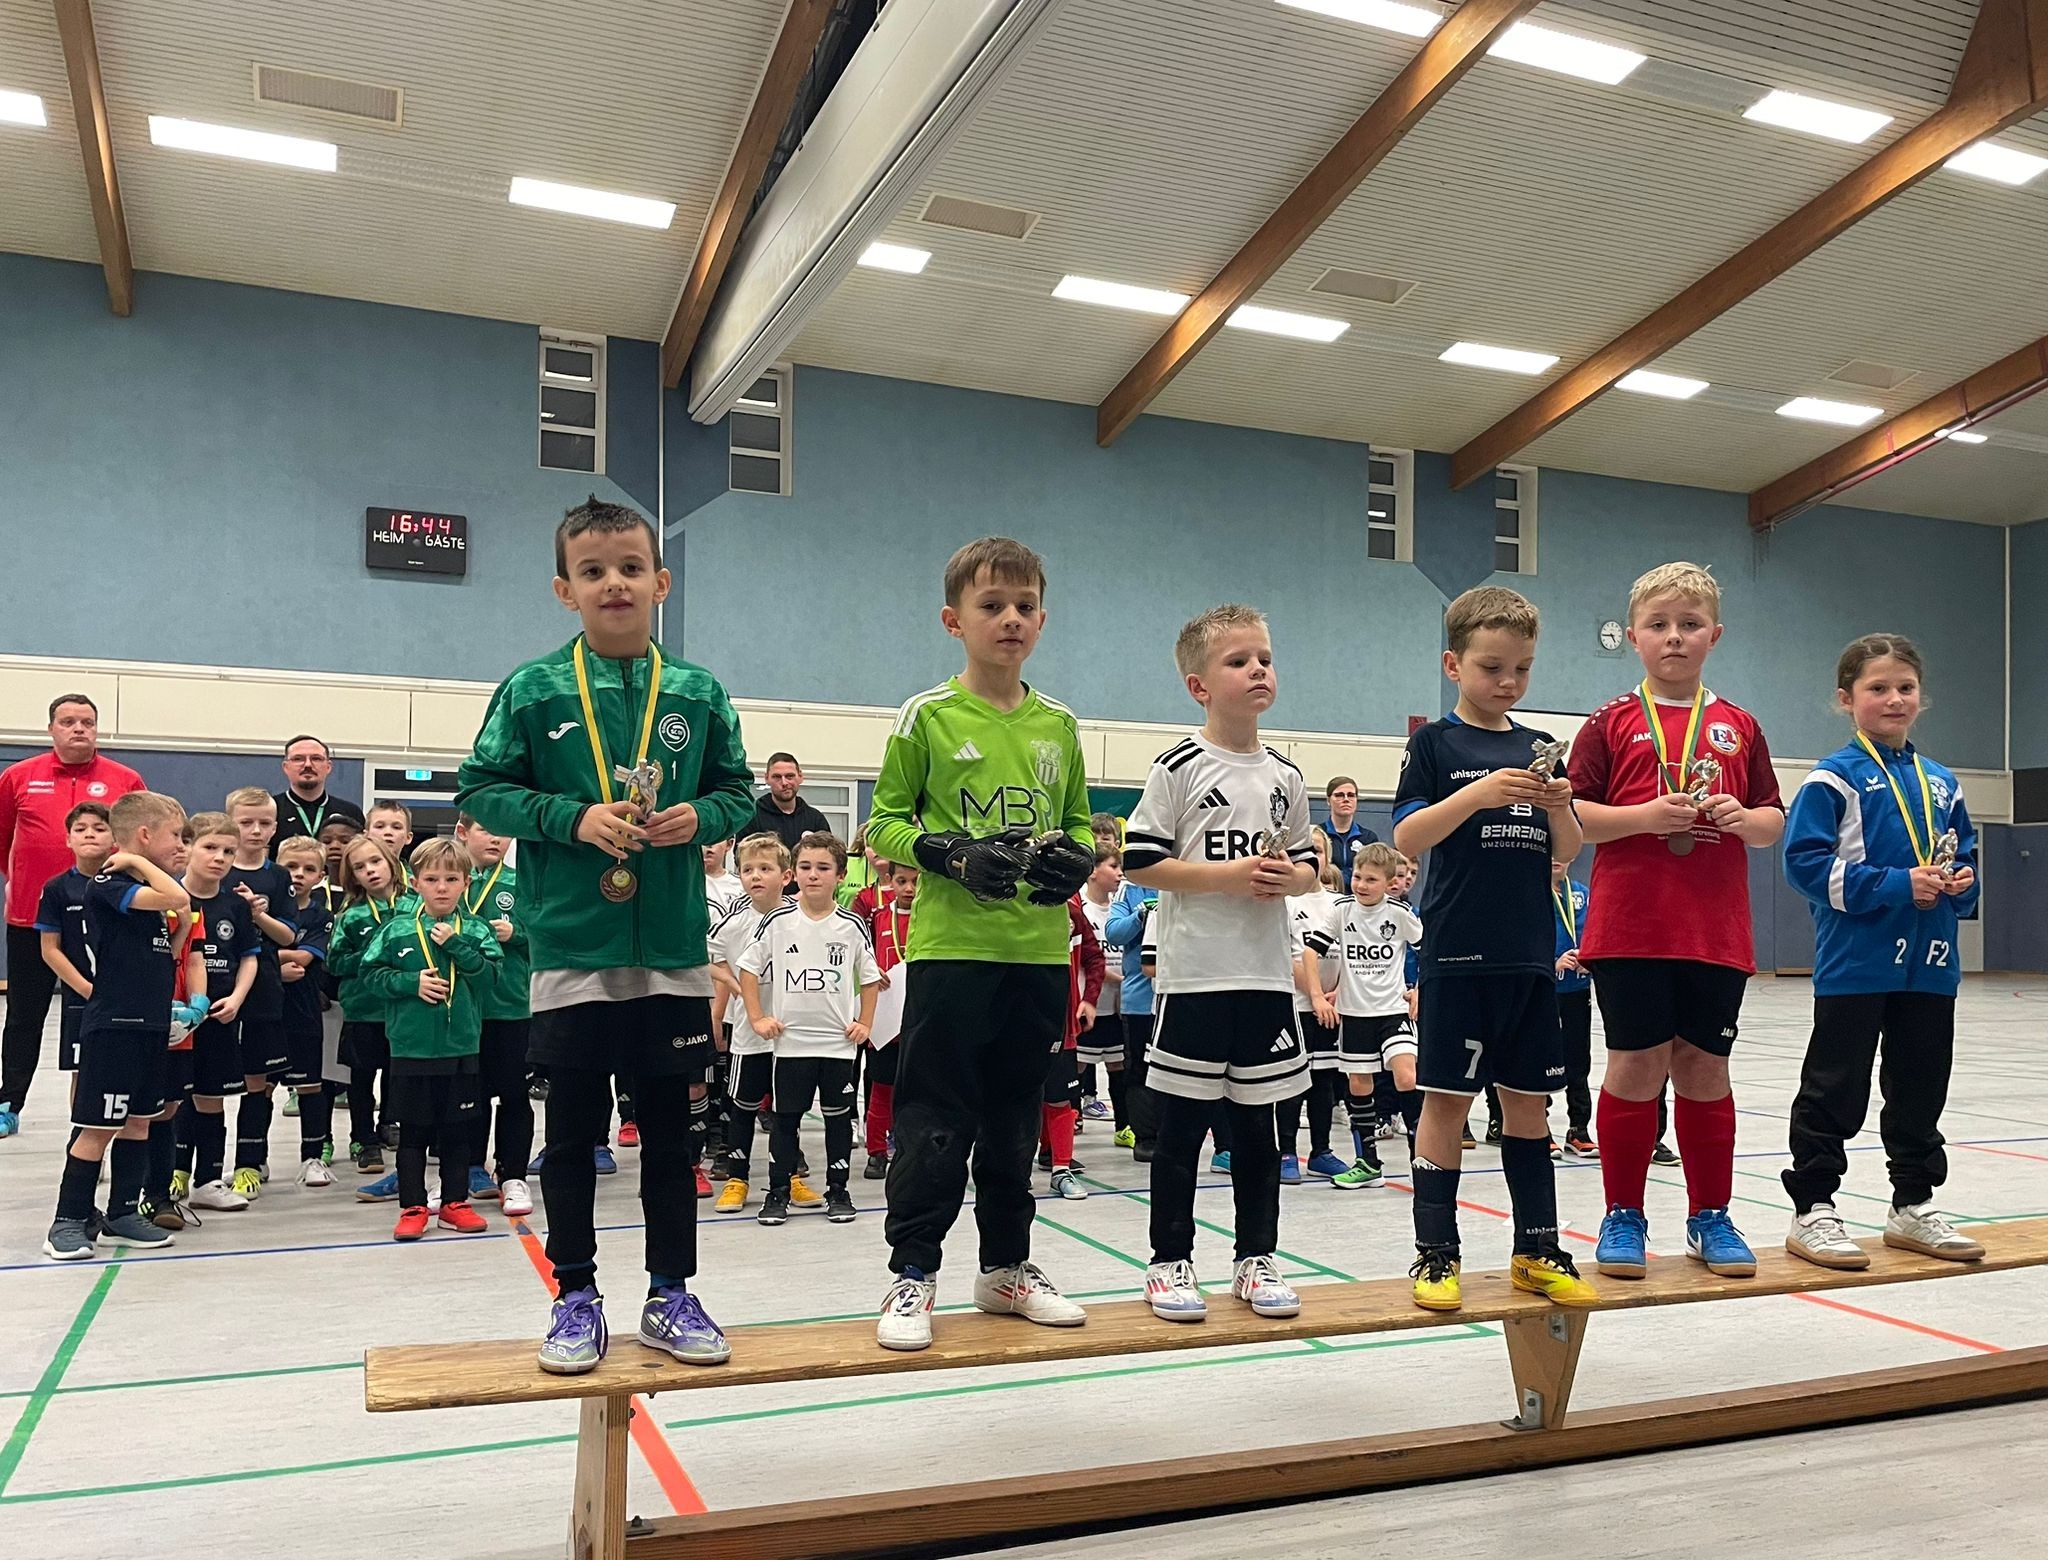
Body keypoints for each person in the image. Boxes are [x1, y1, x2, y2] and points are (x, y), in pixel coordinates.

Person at [457, 495, 756, 1375]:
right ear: (565, 589)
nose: (613, 583)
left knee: (670, 1136)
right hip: (572, 951)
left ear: (661, 581)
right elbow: (480, 789)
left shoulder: (697, 691)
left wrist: (702, 816)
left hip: (670, 953)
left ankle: (670, 1293)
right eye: (593, 571)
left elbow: (737, 790)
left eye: (630, 568)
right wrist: (573, 818)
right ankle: (575, 1296)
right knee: (574, 1134)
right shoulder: (533, 688)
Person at [866, 536, 1096, 1352]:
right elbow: (882, 824)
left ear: (1043, 620)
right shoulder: (927, 716)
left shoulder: (1059, 724)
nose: (1011, 619)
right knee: (934, 1122)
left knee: (1013, 1124)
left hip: (1036, 956)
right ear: (953, 620)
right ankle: (913, 1273)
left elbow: (1077, 823)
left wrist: (1079, 858)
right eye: (992, 605)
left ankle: (1005, 1269)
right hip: (952, 953)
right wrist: (948, 852)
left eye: (1025, 606)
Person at [1570, 562, 1786, 1282]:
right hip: (1631, 926)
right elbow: (1576, 817)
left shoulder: (1741, 726)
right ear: (1633, 636)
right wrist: (1644, 817)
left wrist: (1741, 815)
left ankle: (1710, 1215)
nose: (1674, 637)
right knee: (1635, 1064)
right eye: (1658, 625)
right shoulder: (1608, 721)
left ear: (1713, 635)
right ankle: (1623, 1214)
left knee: (1704, 1066)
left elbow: (1771, 824)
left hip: (1713, 930)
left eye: (1689, 625)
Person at [1393, 586, 1597, 1313]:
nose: (1508, 682)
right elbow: (1408, 836)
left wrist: (1559, 806)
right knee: (1447, 1102)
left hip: (1530, 958)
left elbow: (1568, 848)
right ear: (1454, 664)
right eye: (1492, 667)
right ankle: (1435, 1253)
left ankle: (1537, 1249)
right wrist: (1476, 796)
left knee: (1529, 1108)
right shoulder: (1435, 744)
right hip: (1459, 956)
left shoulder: (1533, 748)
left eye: (1522, 669)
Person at [1123, 603, 1317, 1323]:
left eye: (1264, 658)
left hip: (1266, 980)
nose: (1258, 670)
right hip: (1196, 978)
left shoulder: (1287, 775)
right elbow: (1141, 861)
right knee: (1181, 1132)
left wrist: (1292, 879)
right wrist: (1227, 877)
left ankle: (1255, 1258)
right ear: (1199, 685)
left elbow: (1308, 865)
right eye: (1239, 661)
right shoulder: (1178, 766)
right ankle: (1169, 1261)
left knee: (1261, 1135)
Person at [1781, 634, 1984, 1269]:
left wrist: (1961, 882)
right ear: (1846, 699)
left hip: (1931, 964)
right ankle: (1814, 1207)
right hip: (1857, 962)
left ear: (1921, 696)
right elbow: (1803, 865)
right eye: (1878, 688)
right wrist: (1897, 885)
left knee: (1921, 1087)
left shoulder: (1942, 782)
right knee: (1835, 1086)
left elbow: (1964, 852)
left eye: (1905, 687)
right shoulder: (1832, 778)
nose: (1894, 699)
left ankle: (1912, 1204)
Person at [43, 791, 189, 1259]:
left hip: (150, 1025)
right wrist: (134, 859)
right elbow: (178, 896)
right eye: (174, 836)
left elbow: (166, 946)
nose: (180, 845)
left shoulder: (139, 889)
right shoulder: (109, 883)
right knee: (98, 1127)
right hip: (114, 1026)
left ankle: (123, 1213)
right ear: (144, 835)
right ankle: (67, 1220)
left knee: (139, 1123)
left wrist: (183, 928)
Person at [1, 693, 146, 1136]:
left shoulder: (125, 779)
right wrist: (20, 880)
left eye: (87, 721)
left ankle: (106, 1106)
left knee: (102, 1009)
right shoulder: (18, 777)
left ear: (97, 728)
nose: (79, 728)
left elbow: (141, 842)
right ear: (51, 729)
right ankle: (8, 1102)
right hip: (32, 917)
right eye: (68, 722)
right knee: (24, 1015)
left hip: (106, 919)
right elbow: (2, 837)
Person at [360, 837, 501, 1240]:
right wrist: (411, 983)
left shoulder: (476, 930)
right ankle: (413, 1206)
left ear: (466, 883)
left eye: (451, 879)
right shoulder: (396, 931)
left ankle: (455, 1203)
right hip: (412, 1048)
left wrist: (456, 946)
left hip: (461, 1047)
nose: (442, 887)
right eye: (432, 879)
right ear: (415, 883)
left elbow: (491, 977)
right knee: (414, 1132)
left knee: (457, 1131)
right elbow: (369, 975)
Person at [738, 831, 880, 1227]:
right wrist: (757, 1017)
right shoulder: (778, 921)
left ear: (840, 875)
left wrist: (865, 1022)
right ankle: (778, 1193)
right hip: (791, 1045)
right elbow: (748, 969)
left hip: (837, 1045)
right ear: (794, 873)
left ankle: (839, 1191)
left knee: (838, 1120)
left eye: (823, 868)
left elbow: (871, 978)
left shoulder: (851, 924)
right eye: (805, 867)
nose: (813, 874)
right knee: (786, 1121)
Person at [1305, 841, 1420, 1188]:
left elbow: (1428, 951)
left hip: (1393, 1010)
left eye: (1371, 880)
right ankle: (1368, 1163)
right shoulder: (1341, 910)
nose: (1361, 885)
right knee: (1359, 1084)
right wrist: (1317, 996)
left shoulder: (1400, 913)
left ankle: (1422, 1161)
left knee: (1406, 1077)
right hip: (1355, 1014)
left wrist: (1421, 990)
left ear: (1389, 883)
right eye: (1357, 877)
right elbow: (1310, 953)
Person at [173, 811, 260, 1213]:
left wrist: (237, 998)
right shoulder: (168, 898)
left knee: (212, 1099)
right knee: (172, 1100)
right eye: (210, 847)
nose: (219, 858)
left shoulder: (235, 906)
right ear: (187, 847)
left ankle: (208, 1180)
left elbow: (249, 957)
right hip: (176, 1019)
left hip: (219, 1016)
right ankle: (171, 1174)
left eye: (228, 851)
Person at [707, 833, 793, 1209]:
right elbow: (706, 957)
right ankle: (737, 1178)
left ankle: (788, 1177)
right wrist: (736, 986)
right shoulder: (735, 922)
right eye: (747, 870)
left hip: (792, 1034)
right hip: (749, 1033)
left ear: (786, 876)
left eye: (764, 868)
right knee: (742, 1106)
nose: (755, 876)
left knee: (786, 1108)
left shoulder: (799, 917)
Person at [456, 814, 534, 1219]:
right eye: (486, 830)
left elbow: (548, 935)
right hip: (459, 1007)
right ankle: (471, 1165)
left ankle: (513, 1172)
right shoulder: (447, 882)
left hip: (510, 1005)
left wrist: (516, 934)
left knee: (515, 1092)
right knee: (470, 1091)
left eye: (503, 832)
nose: (496, 839)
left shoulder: (522, 882)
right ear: (462, 833)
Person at [222, 787, 298, 1198]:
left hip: (264, 987)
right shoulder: (215, 869)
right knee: (204, 1083)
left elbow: (288, 935)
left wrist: (259, 914)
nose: (255, 830)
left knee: (258, 1080)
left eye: (264, 823)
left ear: (275, 827)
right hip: (216, 986)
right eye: (245, 822)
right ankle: (189, 1167)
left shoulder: (278, 876)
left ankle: (250, 1162)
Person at [329, 836, 412, 1185]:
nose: (370, 871)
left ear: (391, 863)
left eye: (375, 862)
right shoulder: (352, 916)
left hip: (404, 1007)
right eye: (360, 867)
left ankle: (389, 1124)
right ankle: (364, 1139)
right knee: (361, 1077)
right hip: (363, 1009)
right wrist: (370, 957)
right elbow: (335, 962)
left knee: (398, 1071)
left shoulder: (414, 906)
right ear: (352, 877)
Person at [34, 802, 114, 1109]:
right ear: (68, 839)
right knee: (83, 1072)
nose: (89, 834)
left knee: (124, 1066)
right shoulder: (58, 889)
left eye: (99, 828)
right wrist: (87, 989)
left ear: (115, 837)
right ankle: (81, 1132)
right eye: (80, 829)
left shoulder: (129, 883)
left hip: (124, 995)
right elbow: (50, 949)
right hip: (82, 998)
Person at [275, 835, 337, 1188]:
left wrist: (268, 957)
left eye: (308, 869)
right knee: (259, 1088)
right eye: (290, 866)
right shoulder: (260, 910)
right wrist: (276, 966)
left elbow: (303, 957)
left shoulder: (321, 915)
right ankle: (252, 1162)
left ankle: (312, 1158)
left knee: (311, 1087)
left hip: (304, 1010)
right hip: (266, 1011)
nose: (298, 874)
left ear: (321, 876)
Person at [1040, 895, 1103, 1200]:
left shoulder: (1072, 914)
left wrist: (1089, 999)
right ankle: (1013, 1169)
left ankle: (1060, 1169)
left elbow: (1094, 958)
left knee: (1060, 1099)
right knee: (1016, 1100)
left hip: (1061, 1024)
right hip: (1015, 1025)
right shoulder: (1006, 906)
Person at [861, 858, 917, 1178]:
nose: (909, 888)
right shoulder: (878, 917)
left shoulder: (931, 918)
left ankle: (911, 1149)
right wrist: (871, 971)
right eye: (902, 881)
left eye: (915, 881)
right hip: (886, 1020)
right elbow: (861, 956)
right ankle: (876, 1152)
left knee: (917, 1092)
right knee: (881, 1090)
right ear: (890, 882)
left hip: (920, 1021)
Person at [1073, 846, 1130, 1133]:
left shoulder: (1120, 907)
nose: (1120, 873)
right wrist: (1121, 979)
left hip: (1119, 1004)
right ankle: (1074, 1118)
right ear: (1093, 871)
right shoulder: (1081, 906)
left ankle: (1124, 1126)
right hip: (1090, 1000)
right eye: (1113, 866)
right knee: (1079, 1063)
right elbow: (1089, 958)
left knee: (1118, 1063)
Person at [1105, 886, 1159, 1162]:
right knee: (1139, 1069)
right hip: (1140, 1000)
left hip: (1180, 995)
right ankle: (1145, 1137)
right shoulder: (1129, 890)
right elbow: (1114, 933)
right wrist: (1141, 914)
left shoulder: (1185, 880)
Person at [1551, 858, 1598, 1159]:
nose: (1556, 859)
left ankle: (1578, 1129)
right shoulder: (1530, 892)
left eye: (1562, 852)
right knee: (1539, 1058)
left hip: (1577, 990)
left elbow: (1597, 930)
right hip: (1542, 990)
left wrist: (1590, 957)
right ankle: (1539, 1128)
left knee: (1579, 1060)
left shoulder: (1582, 893)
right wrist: (1550, 963)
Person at [270, 736, 366, 856]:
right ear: (286, 767)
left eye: (316, 758)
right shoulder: (271, 810)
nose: (308, 765)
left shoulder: (351, 812)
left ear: (328, 766)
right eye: (298, 759)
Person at [745, 753, 831, 852]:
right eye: (777, 777)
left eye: (790, 776)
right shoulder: (751, 817)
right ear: (767, 778)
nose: (784, 783)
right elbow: (742, 856)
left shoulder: (815, 819)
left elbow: (828, 855)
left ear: (800, 776)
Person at [1322, 775, 1379, 879]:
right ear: (1328, 800)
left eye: (1351, 795)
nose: (1346, 799)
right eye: (1339, 795)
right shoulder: (1318, 835)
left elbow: (1373, 873)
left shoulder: (1368, 838)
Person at [365, 802, 415, 879]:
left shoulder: (417, 882)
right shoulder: (353, 876)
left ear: (408, 837)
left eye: (396, 827)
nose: (388, 832)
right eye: (379, 826)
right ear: (366, 835)